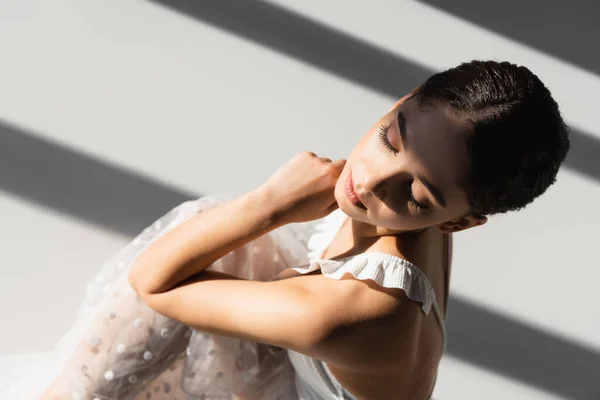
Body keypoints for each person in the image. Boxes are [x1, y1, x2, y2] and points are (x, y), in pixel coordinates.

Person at [3, 60, 569, 400]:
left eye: (417, 196)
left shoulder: (352, 313)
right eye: (390, 138)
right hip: (305, 360)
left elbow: (152, 283)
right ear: (402, 102)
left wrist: (269, 204)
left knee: (216, 231)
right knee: (230, 239)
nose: (370, 182)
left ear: (462, 222)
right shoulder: (442, 184)